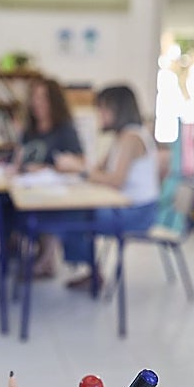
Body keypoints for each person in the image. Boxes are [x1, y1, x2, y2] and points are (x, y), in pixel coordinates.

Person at [61, 85, 161, 290]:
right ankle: (92, 270)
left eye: (103, 109)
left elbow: (116, 181)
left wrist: (80, 170)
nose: (99, 115)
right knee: (75, 215)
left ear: (118, 110)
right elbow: (99, 170)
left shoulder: (131, 137)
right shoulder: (120, 137)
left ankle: (93, 272)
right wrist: (80, 166)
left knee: (74, 217)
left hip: (138, 212)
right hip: (127, 207)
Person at [12, 77, 85, 277]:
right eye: (34, 97)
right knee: (5, 207)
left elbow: (78, 163)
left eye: (43, 98)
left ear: (54, 101)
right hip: (26, 189)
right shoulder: (29, 131)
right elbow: (17, 162)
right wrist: (18, 161)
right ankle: (17, 252)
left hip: (54, 193)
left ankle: (46, 260)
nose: (37, 103)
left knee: (50, 213)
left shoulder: (65, 130)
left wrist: (46, 168)